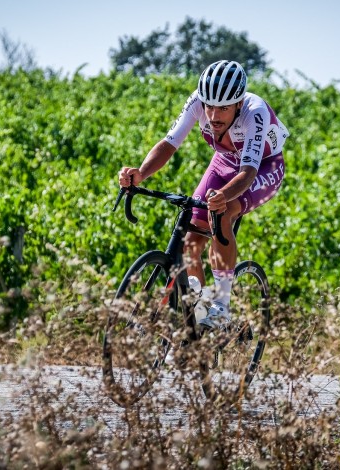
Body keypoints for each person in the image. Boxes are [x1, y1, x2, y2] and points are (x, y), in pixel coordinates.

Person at [118, 60, 289, 331]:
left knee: (223, 210)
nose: (213, 115)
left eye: (223, 108)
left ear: (239, 104)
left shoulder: (254, 113)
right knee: (190, 240)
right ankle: (198, 309)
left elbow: (246, 173)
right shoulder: (198, 101)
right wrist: (140, 173)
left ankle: (222, 305)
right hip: (224, 161)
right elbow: (169, 143)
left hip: (262, 167)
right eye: (209, 106)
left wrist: (222, 196)